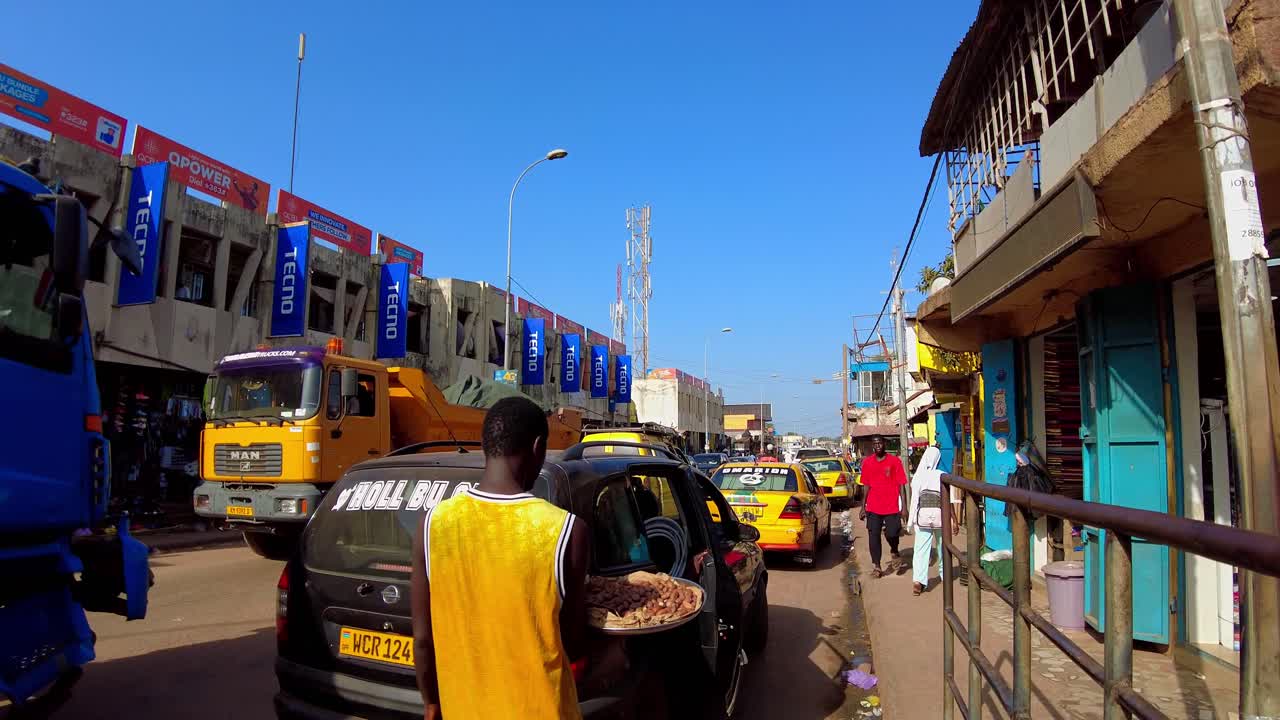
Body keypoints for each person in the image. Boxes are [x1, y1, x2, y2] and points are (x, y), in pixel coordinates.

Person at [411, 396, 590, 720]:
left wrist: (431, 702)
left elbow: (423, 639)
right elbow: (573, 643)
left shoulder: (433, 524)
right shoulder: (565, 531)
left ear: (486, 446)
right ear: (538, 448)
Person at [859, 435, 909, 578]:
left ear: (884, 444)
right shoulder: (868, 463)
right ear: (873, 446)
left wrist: (904, 507)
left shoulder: (894, 461)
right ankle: (877, 566)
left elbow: (901, 485)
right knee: (873, 535)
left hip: (891, 506)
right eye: (875, 444)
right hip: (873, 507)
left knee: (892, 533)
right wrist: (863, 506)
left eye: (880, 443)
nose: (878, 445)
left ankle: (894, 550)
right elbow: (866, 486)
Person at [908, 446, 954, 596]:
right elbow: (949, 499)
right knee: (942, 546)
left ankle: (918, 582)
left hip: (922, 517)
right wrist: (953, 519)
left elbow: (914, 500)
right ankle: (944, 575)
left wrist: (911, 520)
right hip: (940, 516)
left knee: (921, 549)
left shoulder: (918, 476)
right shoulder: (942, 475)